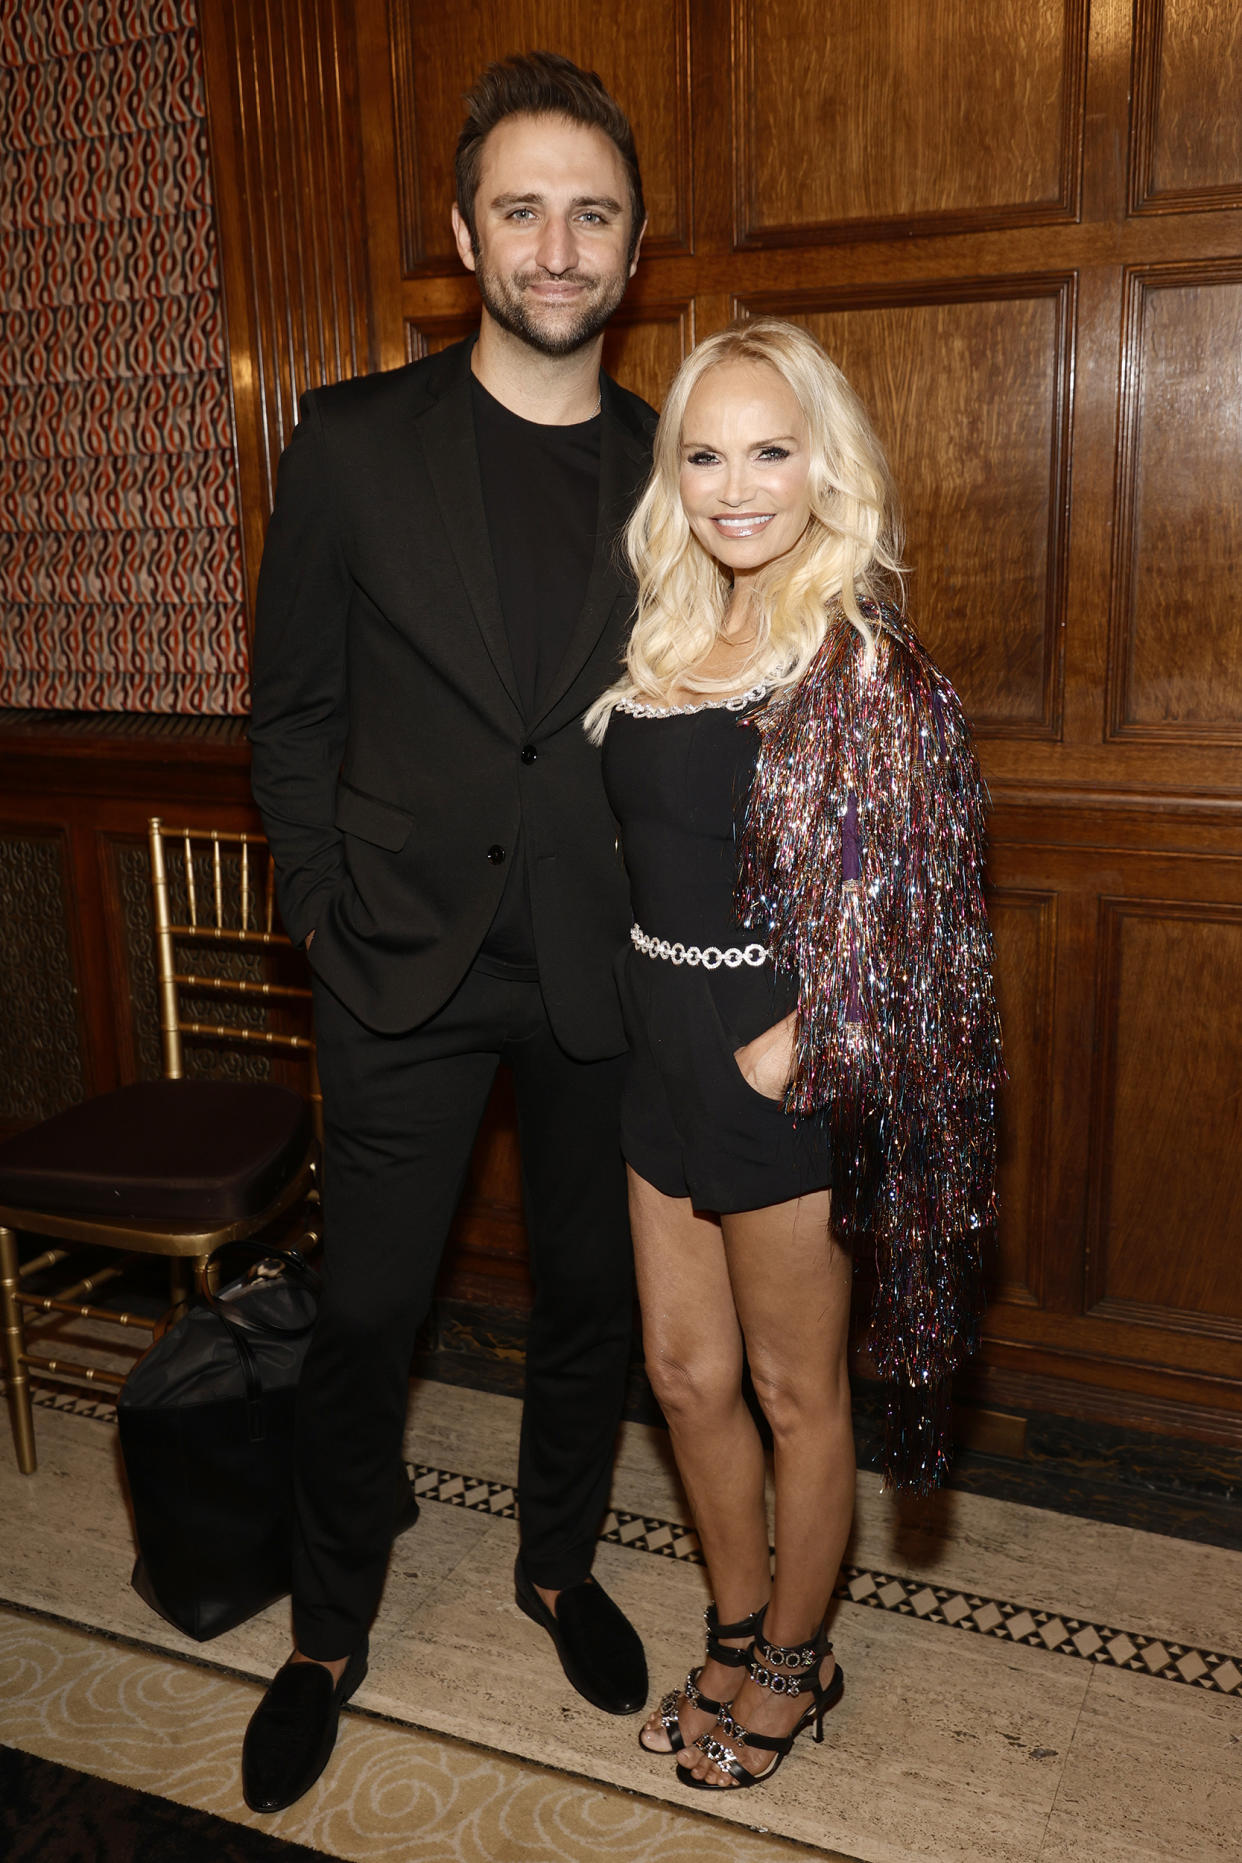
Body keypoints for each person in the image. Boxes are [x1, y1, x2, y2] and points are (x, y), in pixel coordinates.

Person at [244, 52, 657, 1814]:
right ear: (462, 232)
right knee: (368, 1317)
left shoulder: (678, 463)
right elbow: (291, 716)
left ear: (631, 248)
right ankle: (327, 1628)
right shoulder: (346, 441)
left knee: (591, 1303)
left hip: (604, 968)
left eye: (592, 213)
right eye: (522, 208)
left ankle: (554, 1564)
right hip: (398, 964)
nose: (555, 246)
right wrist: (323, 916)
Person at [588, 318, 1003, 1790]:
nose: (735, 483)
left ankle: (793, 1662)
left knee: (791, 1389)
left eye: (769, 449)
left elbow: (926, 921)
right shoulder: (659, 638)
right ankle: (737, 1615)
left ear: (823, 464)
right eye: (703, 453)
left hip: (780, 1066)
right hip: (654, 1043)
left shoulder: (858, 666)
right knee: (684, 1378)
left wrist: (793, 1053)